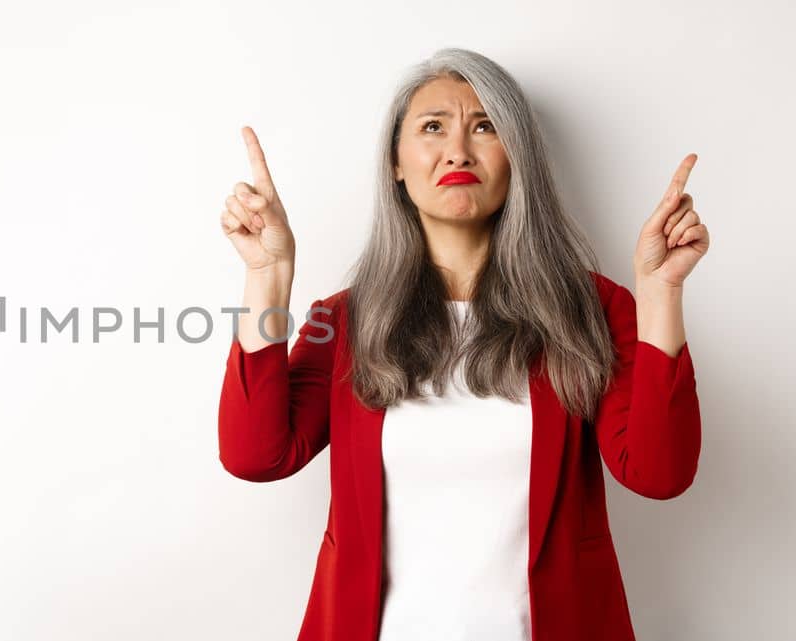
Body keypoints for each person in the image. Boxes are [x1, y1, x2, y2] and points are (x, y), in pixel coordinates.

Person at [215, 48, 707, 641]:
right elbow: (256, 455)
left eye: (484, 126)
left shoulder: (592, 309)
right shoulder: (346, 322)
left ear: (517, 157)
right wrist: (268, 275)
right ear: (396, 163)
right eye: (432, 127)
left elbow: (659, 472)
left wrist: (659, 295)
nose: (457, 150)